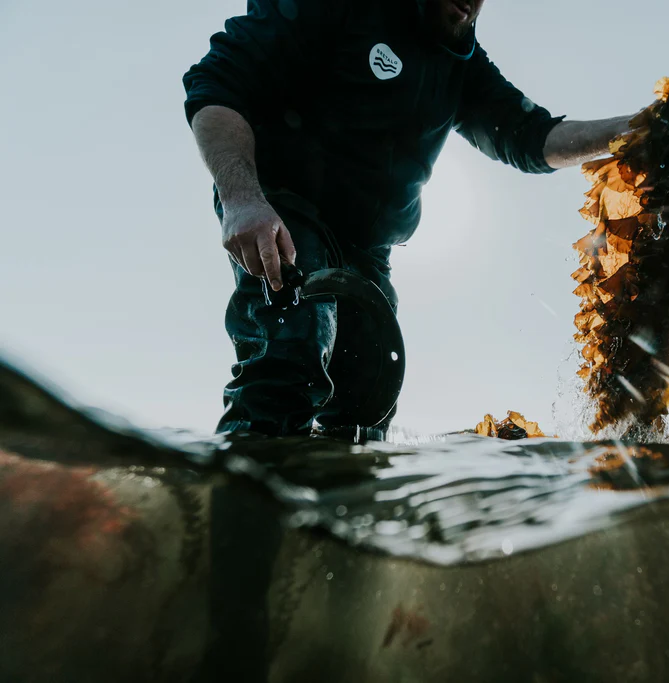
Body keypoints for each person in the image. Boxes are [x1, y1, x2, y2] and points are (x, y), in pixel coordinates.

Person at [183, 0, 640, 440]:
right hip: (283, 209)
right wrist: (242, 200)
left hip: (368, 249)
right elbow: (217, 83)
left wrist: (631, 130)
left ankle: (333, 512)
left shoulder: (463, 66)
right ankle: (245, 494)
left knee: (368, 397)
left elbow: (533, 137)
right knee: (292, 354)